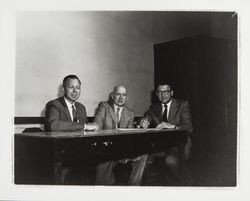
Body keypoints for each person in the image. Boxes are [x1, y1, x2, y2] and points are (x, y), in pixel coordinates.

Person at [44, 74, 98, 184]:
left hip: (80, 154)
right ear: (63, 88)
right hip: (60, 155)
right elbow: (53, 125)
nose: (75, 91)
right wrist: (85, 126)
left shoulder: (81, 108)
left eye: (78, 87)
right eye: (71, 87)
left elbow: (85, 133)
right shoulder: (54, 104)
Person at [93, 85, 148, 185]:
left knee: (143, 155)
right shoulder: (104, 106)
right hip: (106, 149)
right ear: (112, 96)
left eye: (124, 95)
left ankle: (133, 187)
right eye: (118, 94)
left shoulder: (130, 113)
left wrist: (139, 128)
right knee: (104, 158)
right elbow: (96, 127)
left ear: (127, 98)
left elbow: (130, 136)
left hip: (122, 150)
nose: (121, 97)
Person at [139, 83, 193, 179]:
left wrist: (171, 126)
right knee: (141, 158)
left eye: (166, 92)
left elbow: (188, 127)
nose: (163, 95)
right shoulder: (154, 107)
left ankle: (188, 182)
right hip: (160, 145)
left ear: (171, 93)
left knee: (170, 160)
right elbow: (144, 119)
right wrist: (142, 123)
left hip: (179, 145)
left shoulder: (182, 105)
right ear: (156, 94)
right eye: (160, 92)